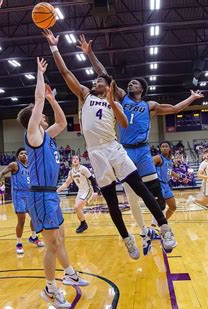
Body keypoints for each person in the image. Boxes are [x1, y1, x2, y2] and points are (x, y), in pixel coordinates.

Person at [43, 29, 177, 258]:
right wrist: (54, 47)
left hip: (114, 147)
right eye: (95, 81)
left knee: (141, 189)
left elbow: (124, 124)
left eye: (100, 81)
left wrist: (113, 104)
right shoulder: (85, 95)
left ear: (108, 86)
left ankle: (165, 228)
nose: (96, 82)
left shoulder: (116, 101)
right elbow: (65, 72)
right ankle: (127, 240)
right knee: (112, 201)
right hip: (96, 153)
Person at [76, 34, 202, 254]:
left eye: (135, 82)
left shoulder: (149, 104)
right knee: (132, 197)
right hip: (122, 150)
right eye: (130, 82)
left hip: (143, 150)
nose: (131, 83)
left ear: (142, 89)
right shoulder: (121, 97)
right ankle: (144, 233)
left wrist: (191, 98)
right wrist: (90, 54)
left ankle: (159, 228)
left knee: (155, 194)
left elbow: (174, 109)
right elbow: (102, 73)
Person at [17, 57, 88, 309]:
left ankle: (60, 280)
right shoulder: (33, 134)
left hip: (50, 196)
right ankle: (56, 283)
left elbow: (63, 123)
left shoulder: (47, 135)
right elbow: (36, 103)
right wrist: (39, 74)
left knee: (59, 239)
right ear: (33, 121)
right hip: (40, 196)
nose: (45, 117)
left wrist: (53, 99)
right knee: (53, 243)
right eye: (40, 116)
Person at [0, 147, 45, 254]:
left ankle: (33, 237)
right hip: (19, 195)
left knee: (35, 217)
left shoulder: (30, 167)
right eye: (21, 153)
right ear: (18, 156)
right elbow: (2, 173)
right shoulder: (15, 165)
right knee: (21, 220)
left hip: (30, 195)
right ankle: (19, 243)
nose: (24, 155)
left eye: (26, 153)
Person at [57, 155, 99, 233]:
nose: (75, 160)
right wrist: (57, 190)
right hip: (81, 191)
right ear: (71, 161)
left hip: (88, 190)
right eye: (73, 159)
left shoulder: (83, 169)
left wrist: (96, 192)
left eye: (77, 159)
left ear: (79, 161)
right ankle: (82, 223)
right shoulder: (71, 172)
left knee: (77, 207)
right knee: (77, 209)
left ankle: (84, 224)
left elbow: (93, 180)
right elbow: (66, 184)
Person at [153, 141, 190, 220]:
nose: (164, 148)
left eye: (166, 146)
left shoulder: (169, 160)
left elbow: (170, 172)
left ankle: (163, 223)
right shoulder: (158, 157)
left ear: (170, 148)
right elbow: (148, 167)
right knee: (159, 207)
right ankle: (153, 228)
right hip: (159, 184)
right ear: (160, 148)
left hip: (166, 184)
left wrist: (180, 178)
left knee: (173, 207)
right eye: (162, 146)